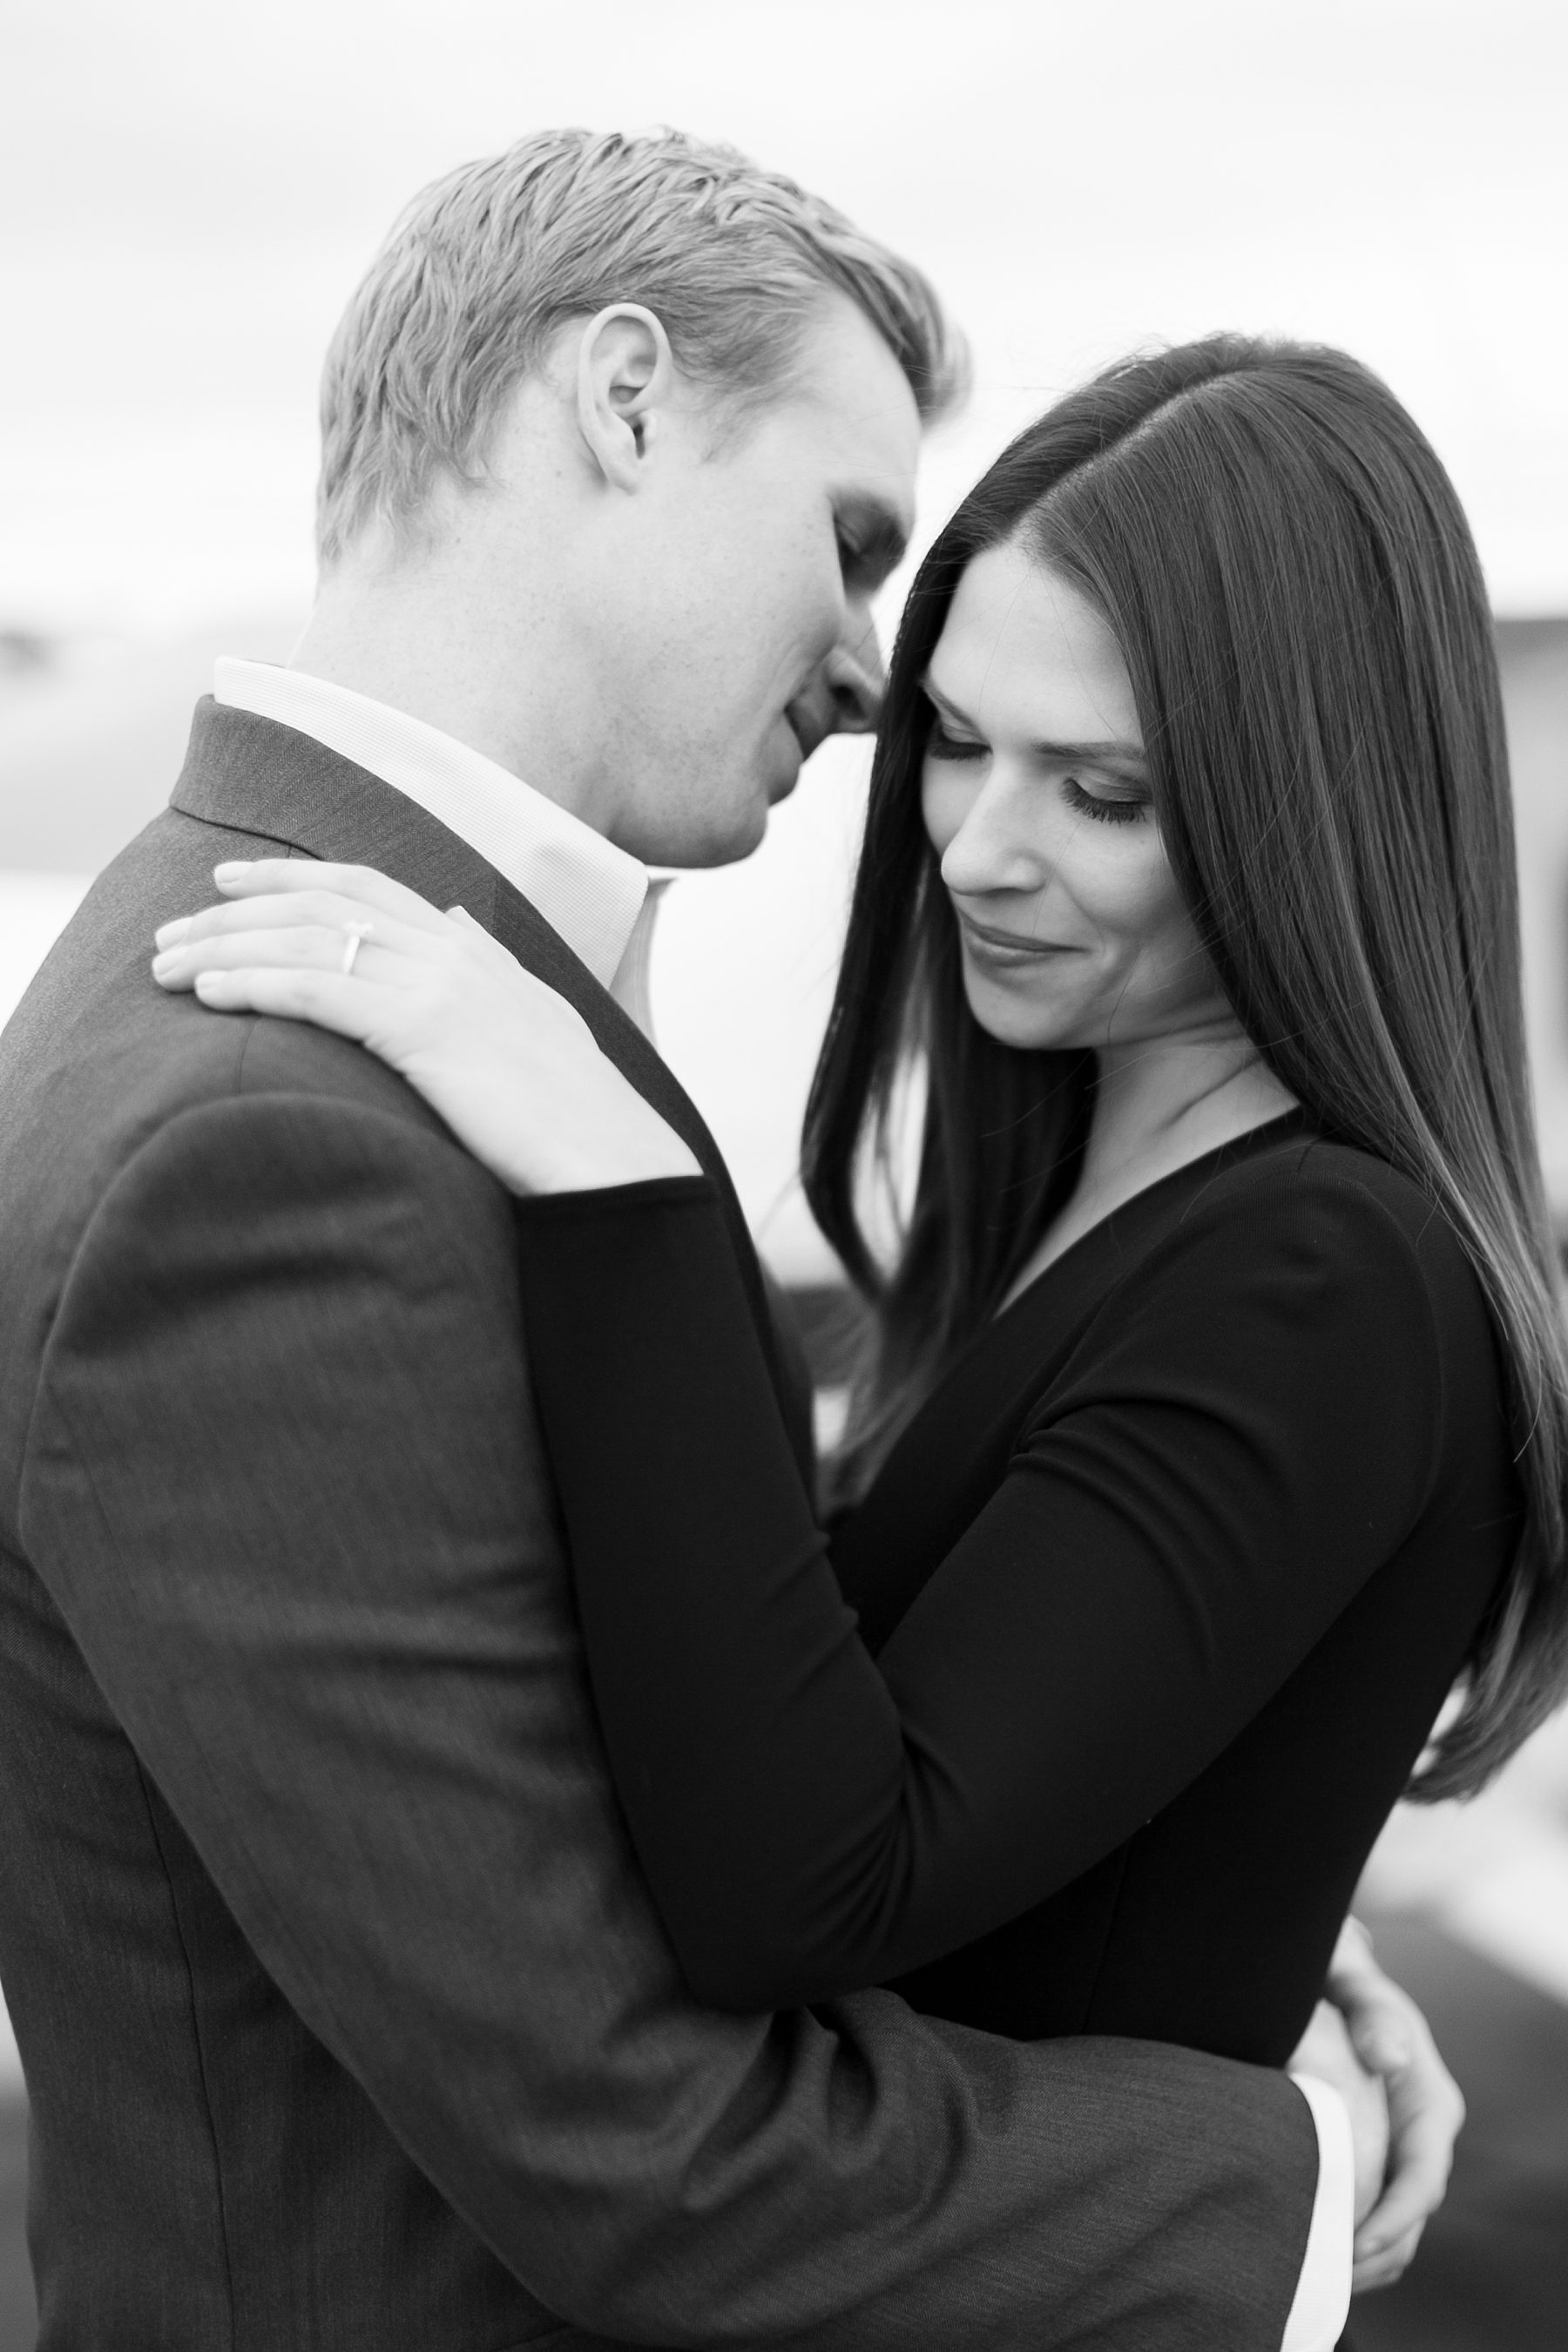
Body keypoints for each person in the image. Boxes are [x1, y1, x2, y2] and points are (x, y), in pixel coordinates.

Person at [0, 132, 1448, 2350]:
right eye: (857, 546)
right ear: (626, 400)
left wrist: (1180, 1868)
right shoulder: (277, 1133)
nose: (881, 694)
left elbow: (656, 1753)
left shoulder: (266, 979)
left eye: (1100, 783)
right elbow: (640, 2142)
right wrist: (1282, 2151)